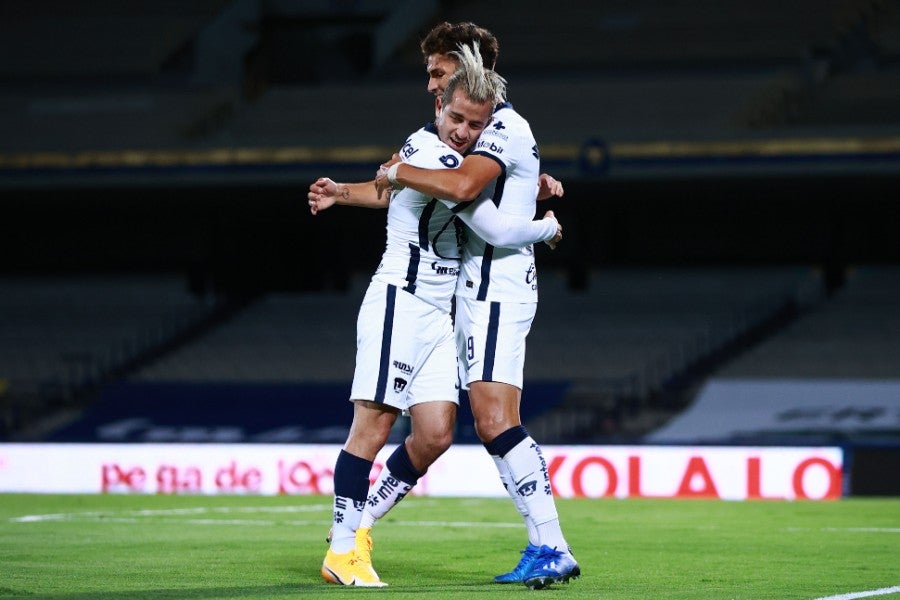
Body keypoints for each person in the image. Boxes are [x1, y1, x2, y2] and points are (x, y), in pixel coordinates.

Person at [313, 43, 561, 588]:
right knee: (372, 427)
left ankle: (362, 525)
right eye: (455, 117)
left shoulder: (428, 152)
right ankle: (342, 549)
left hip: (440, 313)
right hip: (399, 302)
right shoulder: (435, 155)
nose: (463, 131)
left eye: (474, 124)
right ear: (440, 107)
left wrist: (345, 192)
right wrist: (545, 223)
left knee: (434, 433)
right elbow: (487, 221)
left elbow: (392, 189)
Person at [375, 35, 581, 593]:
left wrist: (399, 173)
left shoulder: (500, 128)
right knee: (479, 424)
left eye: (439, 70)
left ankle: (551, 545)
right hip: (481, 286)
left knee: (495, 421)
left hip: (495, 286)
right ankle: (547, 544)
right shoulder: (490, 131)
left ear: (472, 68)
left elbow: (467, 193)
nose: (432, 83)